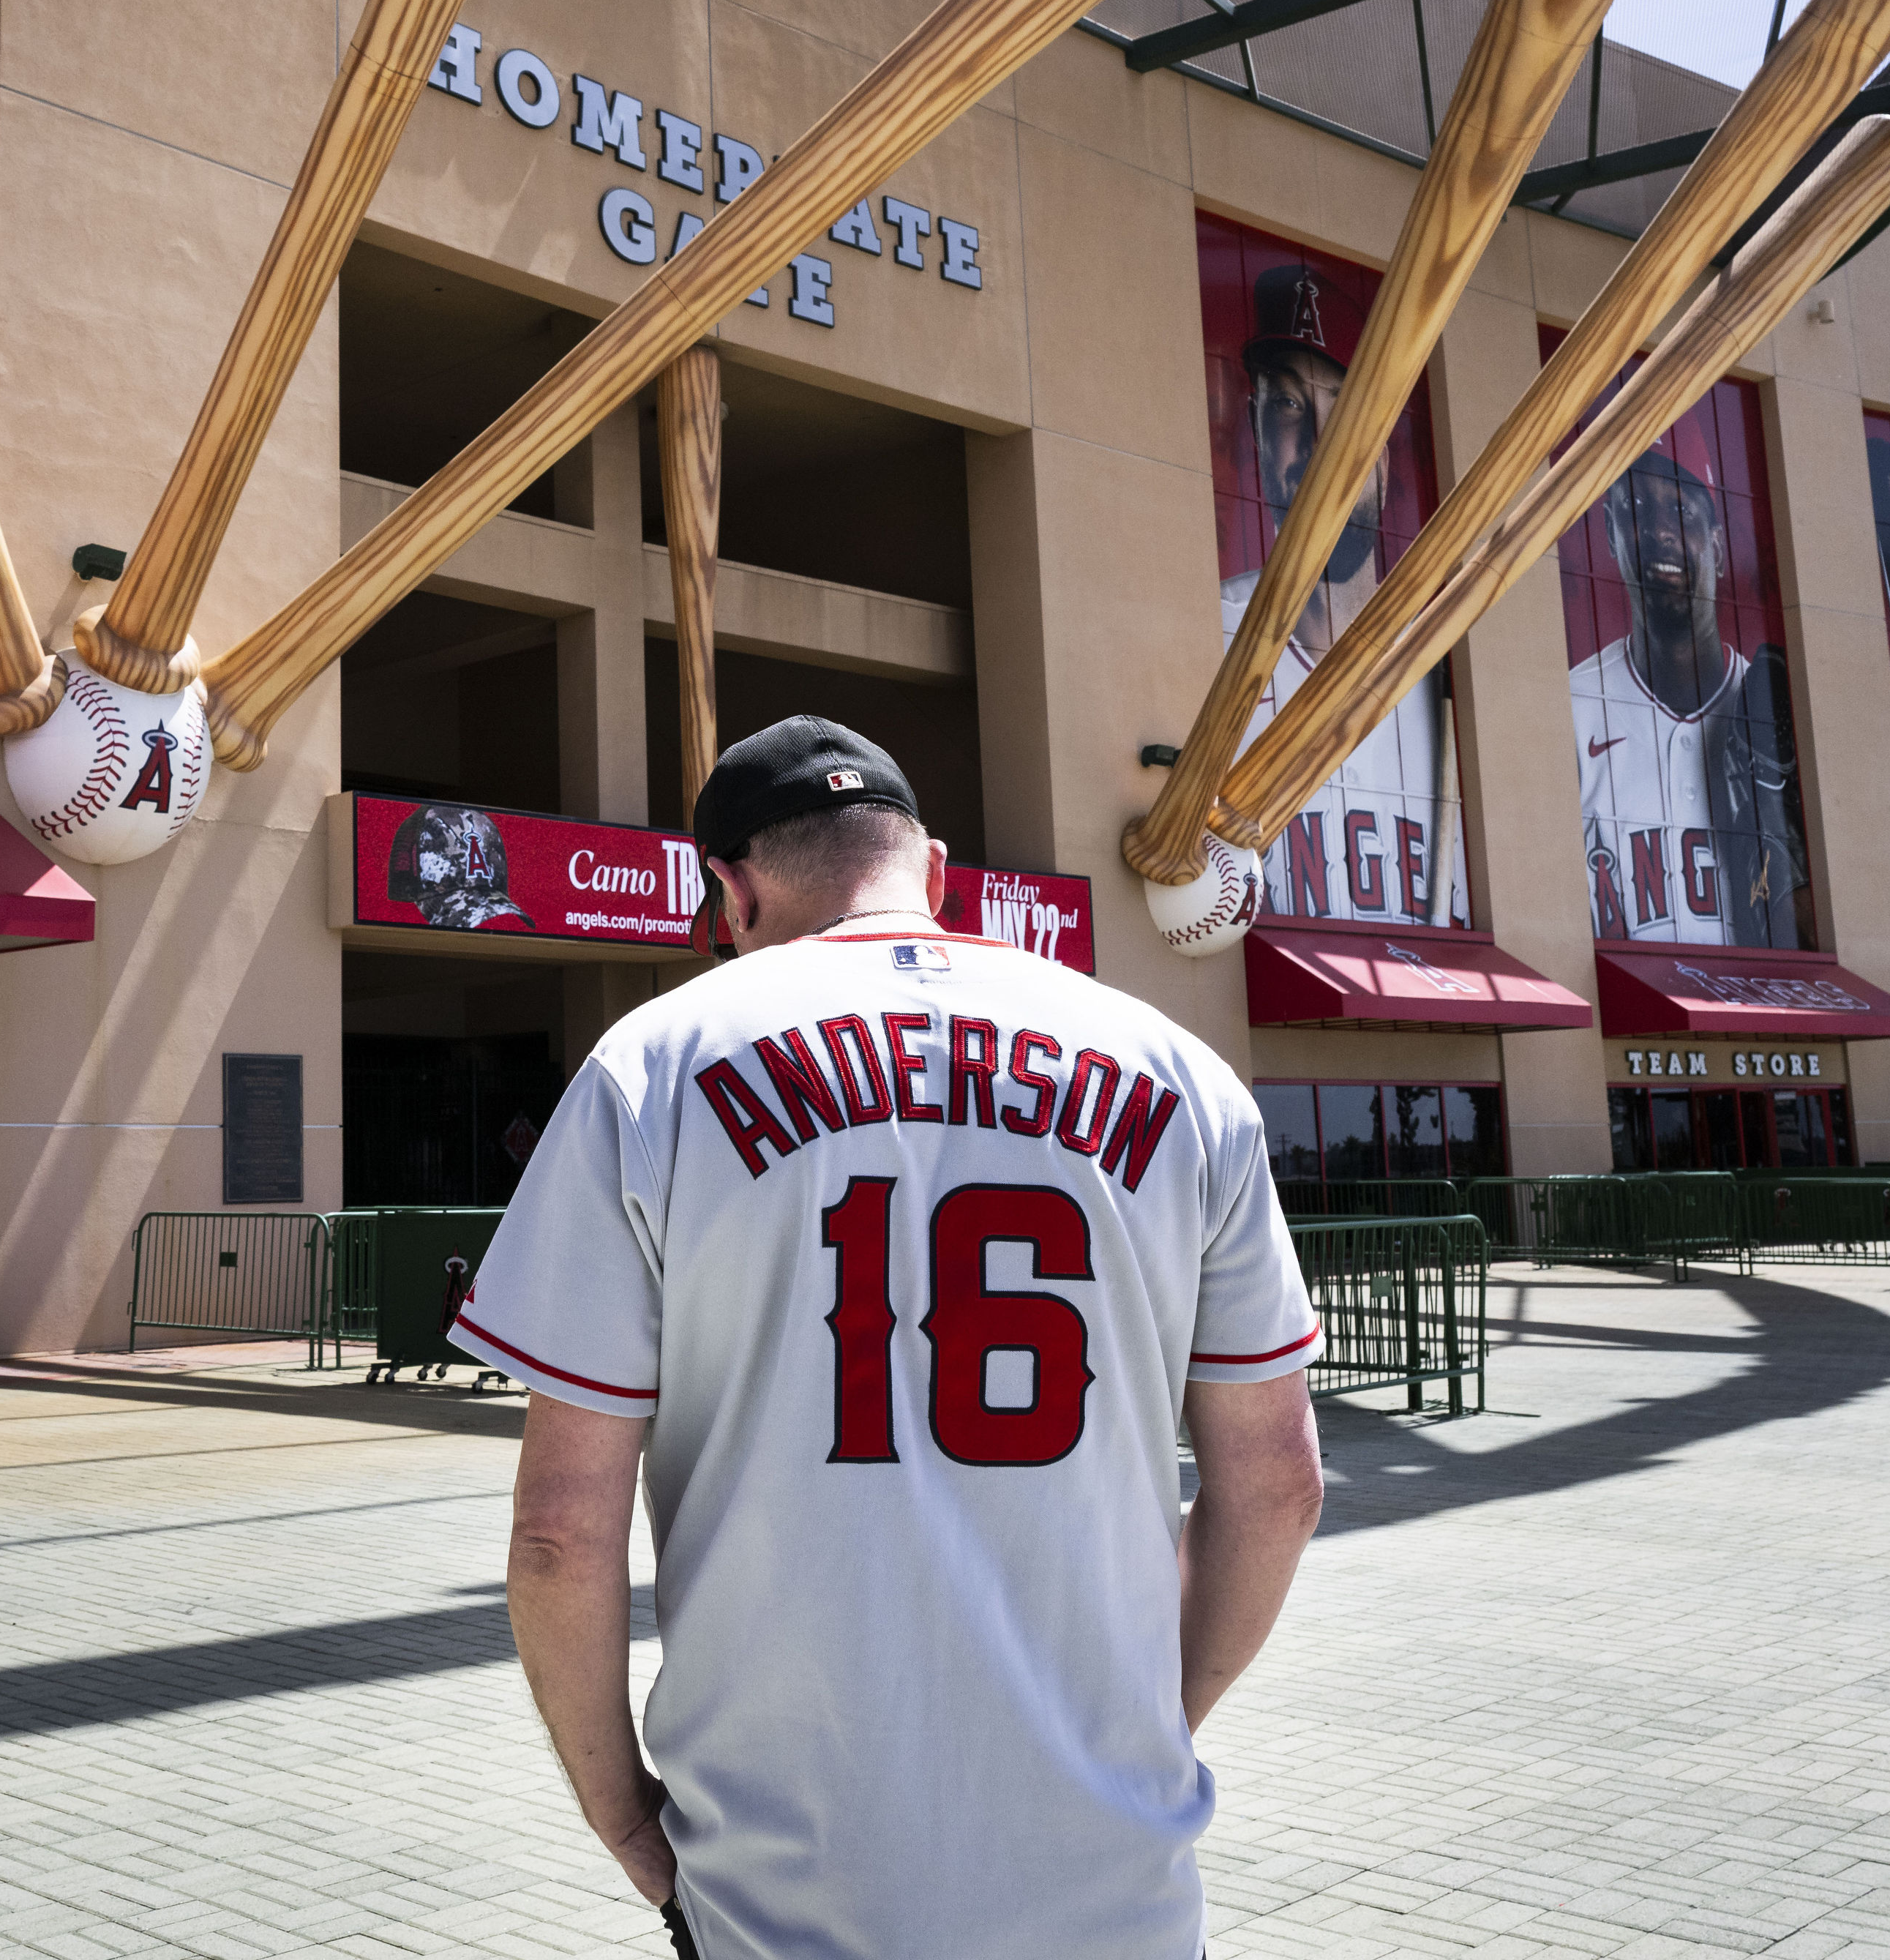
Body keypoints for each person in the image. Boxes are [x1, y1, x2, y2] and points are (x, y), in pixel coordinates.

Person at [457, 714, 1327, 1960]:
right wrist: (1139, 1724)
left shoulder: (649, 1066)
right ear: (939, 865)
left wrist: (630, 1826)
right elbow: (1281, 1484)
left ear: (734, 886)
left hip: (782, 1887)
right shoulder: (1182, 1072)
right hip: (1116, 1881)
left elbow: (557, 1532)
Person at [1220, 263, 1467, 927]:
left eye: (1348, 411)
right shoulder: (1202, 641)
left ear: (1385, 461)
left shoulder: (1445, 666)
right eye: (1292, 406)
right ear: (1258, 431)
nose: (1322, 447)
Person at [1570, 426, 1808, 947]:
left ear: (1718, 549)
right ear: (1610, 533)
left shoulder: (1774, 713)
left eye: (1683, 511)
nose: (1660, 530)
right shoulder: (1568, 711)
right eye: (1636, 506)